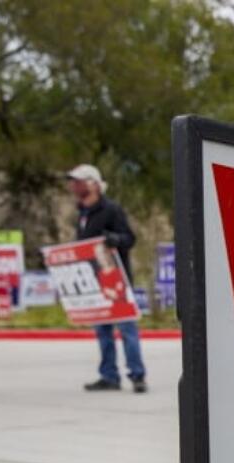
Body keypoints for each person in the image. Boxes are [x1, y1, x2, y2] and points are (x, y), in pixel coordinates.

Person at [67, 164, 147, 393]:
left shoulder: (111, 210)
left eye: (79, 181)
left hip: (117, 281)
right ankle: (109, 375)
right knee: (102, 331)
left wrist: (114, 240)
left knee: (127, 330)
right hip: (94, 281)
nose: (74, 186)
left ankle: (137, 375)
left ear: (93, 183)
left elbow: (129, 238)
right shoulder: (82, 213)